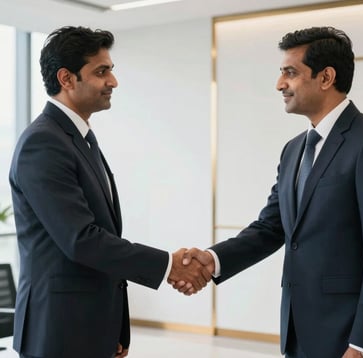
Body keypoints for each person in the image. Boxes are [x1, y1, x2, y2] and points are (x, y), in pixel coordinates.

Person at [9, 26, 211, 358]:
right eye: (101, 71)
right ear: (67, 78)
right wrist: (168, 265)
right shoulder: (43, 143)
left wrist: (114, 327)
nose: (113, 82)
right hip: (59, 332)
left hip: (89, 326)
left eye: (111, 71)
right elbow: (81, 239)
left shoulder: (79, 138)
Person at [176, 27, 363, 358]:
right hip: (298, 330)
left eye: (290, 73)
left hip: (349, 335)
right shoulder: (294, 150)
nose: (279, 84)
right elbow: (271, 227)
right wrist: (211, 260)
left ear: (326, 77)